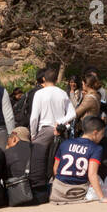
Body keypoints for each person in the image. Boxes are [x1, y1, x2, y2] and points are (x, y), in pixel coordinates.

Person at [28, 66, 77, 195]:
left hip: (44, 130)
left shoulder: (39, 93)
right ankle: (60, 188)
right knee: (59, 160)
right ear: (56, 79)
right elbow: (73, 113)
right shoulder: (62, 93)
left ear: (44, 79)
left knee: (39, 162)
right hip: (60, 130)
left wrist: (33, 134)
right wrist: (60, 122)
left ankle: (40, 190)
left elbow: (34, 117)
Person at [50, 116, 107, 203]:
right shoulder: (96, 148)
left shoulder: (65, 143)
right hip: (78, 193)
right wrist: (102, 197)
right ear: (95, 133)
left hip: (57, 193)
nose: (102, 137)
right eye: (102, 134)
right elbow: (92, 174)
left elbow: (55, 169)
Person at [5, 126, 33, 200]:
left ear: (14, 139)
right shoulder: (39, 148)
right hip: (40, 194)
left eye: (8, 141)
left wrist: (7, 151)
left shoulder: (9, 152)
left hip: (18, 195)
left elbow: (4, 176)